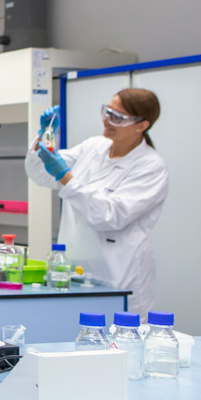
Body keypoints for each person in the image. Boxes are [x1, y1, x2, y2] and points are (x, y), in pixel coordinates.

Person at [26, 89, 169, 318]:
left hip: (118, 279)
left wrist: (66, 177)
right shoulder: (94, 147)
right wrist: (45, 135)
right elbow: (40, 173)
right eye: (107, 111)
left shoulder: (150, 167)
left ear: (141, 125)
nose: (107, 120)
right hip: (74, 274)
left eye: (117, 117)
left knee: (119, 345)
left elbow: (109, 216)